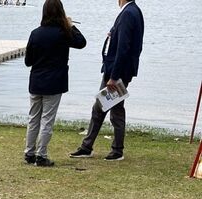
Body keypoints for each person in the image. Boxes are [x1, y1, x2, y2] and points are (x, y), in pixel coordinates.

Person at [70, 0, 144, 161]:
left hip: (117, 72)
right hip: (119, 70)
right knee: (104, 108)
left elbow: (124, 47)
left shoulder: (128, 13)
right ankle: (89, 146)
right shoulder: (132, 11)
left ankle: (112, 149)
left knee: (108, 109)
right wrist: (112, 33)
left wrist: (114, 76)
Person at [23, 0, 86, 166]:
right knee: (47, 120)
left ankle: (29, 153)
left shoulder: (35, 33)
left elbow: (28, 61)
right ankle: (41, 155)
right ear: (61, 13)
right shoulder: (63, 33)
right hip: (54, 82)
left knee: (33, 119)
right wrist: (70, 25)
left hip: (36, 81)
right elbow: (81, 42)